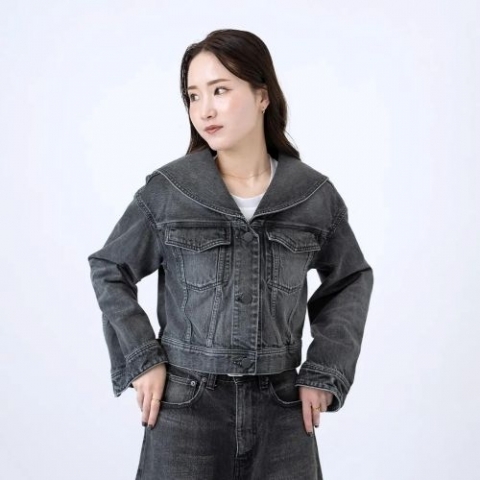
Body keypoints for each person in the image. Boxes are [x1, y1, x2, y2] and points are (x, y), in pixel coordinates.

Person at [87, 28, 374, 480]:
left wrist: (324, 372)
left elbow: (350, 279)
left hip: (283, 411)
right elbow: (109, 267)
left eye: (220, 90)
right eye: (193, 95)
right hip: (185, 408)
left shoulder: (312, 195)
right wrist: (143, 359)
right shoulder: (170, 191)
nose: (205, 109)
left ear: (262, 96)